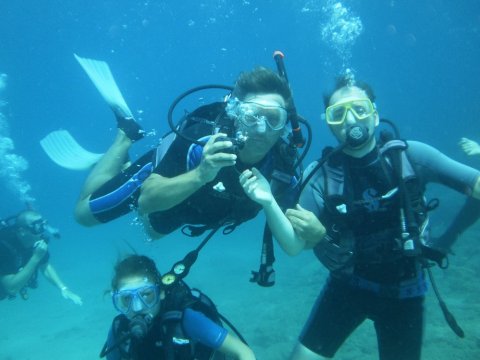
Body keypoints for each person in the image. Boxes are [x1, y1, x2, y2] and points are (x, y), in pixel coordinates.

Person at [240, 76, 480, 360]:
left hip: (405, 293)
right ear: (329, 123)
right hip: (347, 287)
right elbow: (294, 246)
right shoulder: (320, 175)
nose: (350, 119)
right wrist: (269, 202)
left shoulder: (410, 156)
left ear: (375, 115)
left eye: (360, 109)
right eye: (338, 113)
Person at [74, 66, 298, 240]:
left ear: (285, 125)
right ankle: (125, 137)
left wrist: (316, 233)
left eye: (273, 119)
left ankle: (123, 167)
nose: (261, 129)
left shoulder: (283, 166)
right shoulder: (201, 140)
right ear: (236, 115)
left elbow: (296, 233)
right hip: (164, 175)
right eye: (251, 116)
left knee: (154, 232)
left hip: (192, 208)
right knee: (84, 216)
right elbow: (147, 200)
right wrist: (201, 174)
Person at [101, 254, 256, 360]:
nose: (137, 307)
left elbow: (243, 352)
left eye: (147, 295)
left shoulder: (184, 320)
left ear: (161, 292)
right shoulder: (119, 330)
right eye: (127, 298)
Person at [0, 209, 83, 305]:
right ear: (22, 231)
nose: (41, 230)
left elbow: (45, 265)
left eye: (43, 225)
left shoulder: (36, 239)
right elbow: (11, 288)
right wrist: (36, 257)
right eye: (36, 226)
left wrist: (63, 288)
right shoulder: (4, 247)